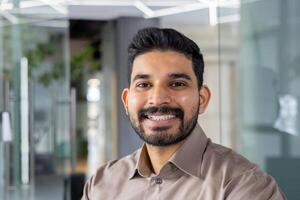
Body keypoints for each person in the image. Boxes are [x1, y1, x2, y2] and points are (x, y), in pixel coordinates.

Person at [82, 27, 286, 200]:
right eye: (144, 84)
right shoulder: (101, 185)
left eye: (177, 84)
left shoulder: (244, 186)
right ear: (126, 101)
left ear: (202, 98)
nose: (158, 98)